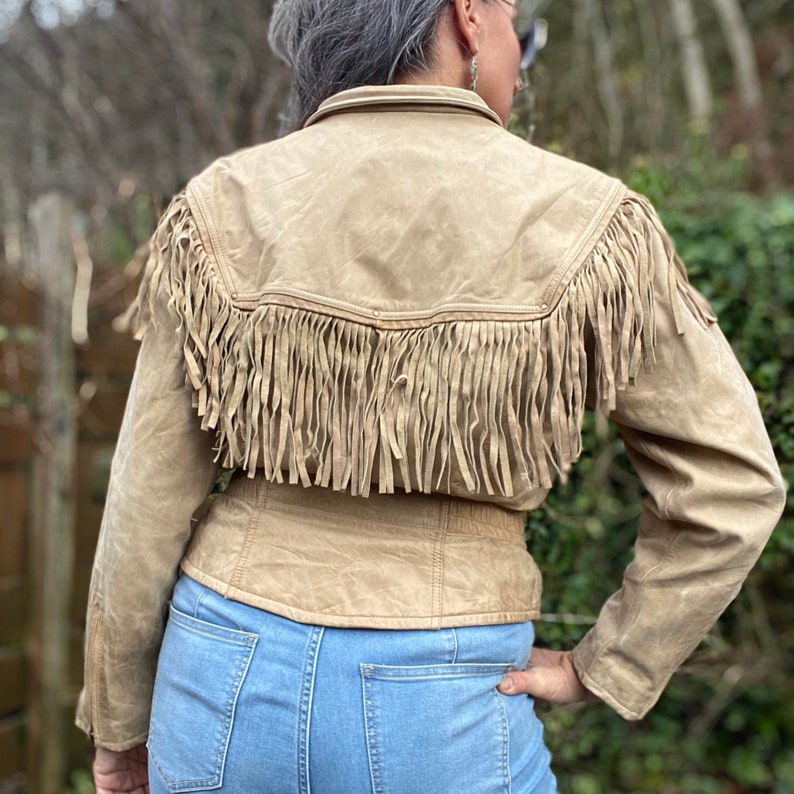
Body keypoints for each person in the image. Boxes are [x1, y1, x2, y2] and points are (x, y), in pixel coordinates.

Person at [77, 0, 786, 792]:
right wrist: (608, 664)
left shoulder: (223, 201)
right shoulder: (593, 222)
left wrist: (118, 726)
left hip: (220, 671)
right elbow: (733, 485)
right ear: (469, 17)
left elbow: (144, 502)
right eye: (514, 12)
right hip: (443, 695)